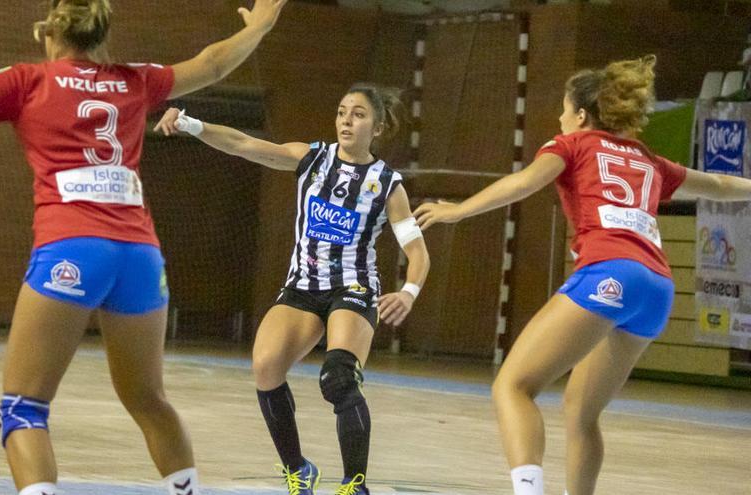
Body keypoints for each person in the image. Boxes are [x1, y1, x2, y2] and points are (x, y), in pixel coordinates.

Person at [0, 1, 287, 494]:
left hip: (72, 246)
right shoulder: (136, 79)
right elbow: (213, 63)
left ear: (48, 28)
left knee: (24, 406)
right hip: (139, 254)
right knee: (149, 399)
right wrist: (261, 25)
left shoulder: (28, 80)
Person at [413, 54, 751, 495]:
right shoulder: (647, 159)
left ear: (581, 114)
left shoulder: (569, 145)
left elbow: (524, 184)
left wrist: (458, 209)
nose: (559, 116)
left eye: (563, 107)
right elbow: (722, 186)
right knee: (581, 412)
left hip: (610, 273)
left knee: (513, 386)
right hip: (657, 287)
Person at [155, 83, 430, 495]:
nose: (346, 121)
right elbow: (243, 144)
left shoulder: (388, 185)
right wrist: (193, 124)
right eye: (341, 112)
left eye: (357, 114)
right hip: (302, 287)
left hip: (352, 288)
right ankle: (298, 469)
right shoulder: (311, 158)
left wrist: (408, 291)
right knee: (265, 367)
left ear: (377, 126)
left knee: (338, 379)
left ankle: (355, 485)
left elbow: (417, 250)